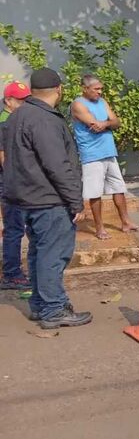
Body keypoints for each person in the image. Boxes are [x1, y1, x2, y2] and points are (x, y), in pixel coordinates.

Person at [3, 68, 90, 328]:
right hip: (49, 199)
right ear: (59, 89)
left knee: (39, 253)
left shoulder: (17, 116)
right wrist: (75, 200)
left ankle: (42, 305)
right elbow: (57, 165)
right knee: (53, 255)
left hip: (26, 197)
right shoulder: (45, 120)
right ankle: (53, 309)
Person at [70, 74, 139, 239]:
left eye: (101, 88)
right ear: (85, 88)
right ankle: (99, 228)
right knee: (95, 193)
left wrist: (106, 124)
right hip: (92, 155)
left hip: (109, 151)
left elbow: (116, 122)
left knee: (118, 188)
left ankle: (126, 222)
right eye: (96, 89)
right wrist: (106, 123)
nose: (100, 92)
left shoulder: (102, 102)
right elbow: (95, 126)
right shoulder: (78, 105)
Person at [0, 81, 31, 290]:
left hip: (14, 183)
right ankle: (12, 274)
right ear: (8, 101)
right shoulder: (5, 123)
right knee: (14, 229)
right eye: (20, 100)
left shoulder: (13, 119)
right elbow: (4, 158)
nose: (24, 104)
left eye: (26, 100)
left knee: (18, 228)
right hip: (10, 184)